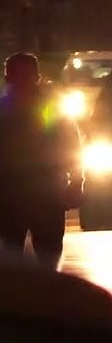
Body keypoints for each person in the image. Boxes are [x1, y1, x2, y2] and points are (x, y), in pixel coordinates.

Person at [0, 54, 81, 268]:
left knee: (25, 256)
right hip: (36, 192)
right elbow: (71, 145)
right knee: (43, 256)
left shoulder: (9, 110)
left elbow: (70, 145)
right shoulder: (50, 108)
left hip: (27, 193)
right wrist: (76, 182)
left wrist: (76, 181)